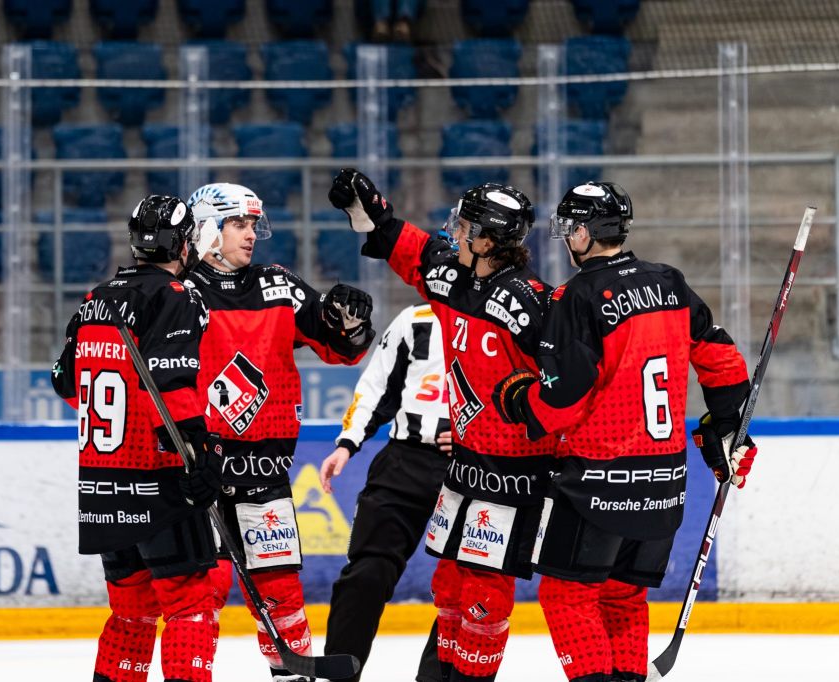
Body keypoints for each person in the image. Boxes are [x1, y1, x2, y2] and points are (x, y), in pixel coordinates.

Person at [491, 181, 758, 682]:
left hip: (599, 480)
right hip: (664, 485)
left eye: (571, 230)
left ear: (587, 234)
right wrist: (727, 427)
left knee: (566, 595)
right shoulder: (671, 282)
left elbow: (563, 400)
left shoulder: (579, 296)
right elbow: (722, 359)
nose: (567, 239)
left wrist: (517, 401)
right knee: (623, 596)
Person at [328, 169, 555, 682]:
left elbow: (565, 389)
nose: (454, 231)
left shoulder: (533, 304)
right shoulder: (454, 278)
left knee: (481, 600)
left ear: (490, 239)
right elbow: (417, 253)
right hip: (457, 466)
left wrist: (538, 444)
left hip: (509, 470)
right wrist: (377, 220)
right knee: (450, 590)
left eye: (466, 225)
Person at [186, 182, 376, 682]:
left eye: (254, 225)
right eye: (239, 225)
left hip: (263, 471)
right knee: (200, 593)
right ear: (208, 228)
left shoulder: (279, 285)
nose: (251, 236)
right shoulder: (178, 292)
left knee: (281, 594)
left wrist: (349, 321)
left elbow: (343, 348)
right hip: (197, 470)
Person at [51, 194, 225, 682]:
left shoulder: (95, 299)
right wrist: (199, 456)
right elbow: (172, 383)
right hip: (159, 480)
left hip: (102, 484)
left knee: (132, 612)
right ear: (182, 244)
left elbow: (65, 382)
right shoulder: (177, 296)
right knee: (191, 604)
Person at [320, 302, 452, 682]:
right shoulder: (415, 319)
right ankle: (339, 674)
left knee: (465, 589)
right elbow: (376, 387)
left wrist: (481, 434)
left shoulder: (504, 315)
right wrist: (347, 442)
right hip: (404, 461)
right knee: (366, 573)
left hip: (472, 465)